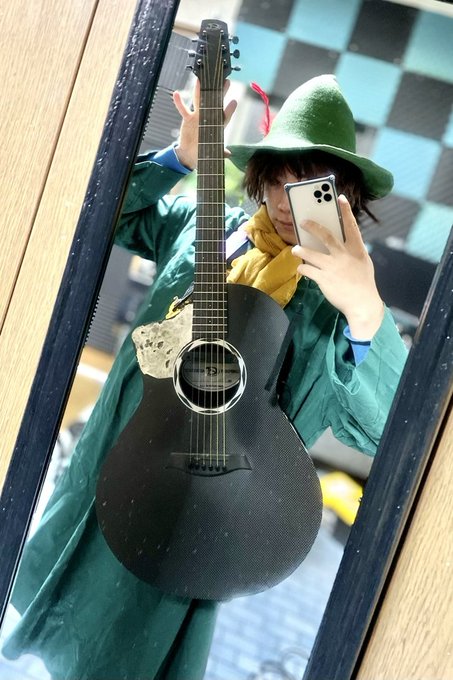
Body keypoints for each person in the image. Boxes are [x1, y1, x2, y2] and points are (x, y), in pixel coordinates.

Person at [2, 74, 407, 680]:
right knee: (57, 586)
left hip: (201, 507)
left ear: (342, 193)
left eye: (309, 183)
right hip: (110, 459)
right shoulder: (206, 227)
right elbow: (103, 215)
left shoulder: (334, 310)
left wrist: (366, 312)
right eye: (277, 176)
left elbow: (389, 433)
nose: (286, 199)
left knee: (137, 643)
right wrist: (178, 158)